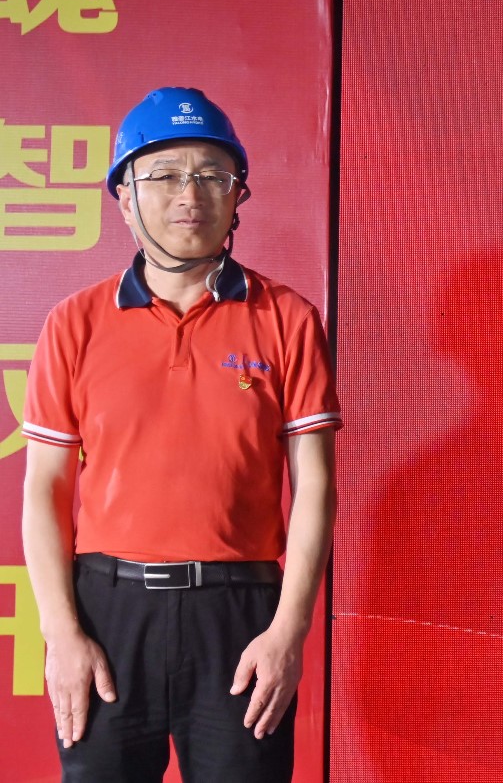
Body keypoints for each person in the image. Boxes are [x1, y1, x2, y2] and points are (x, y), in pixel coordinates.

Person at [20, 87, 340, 782]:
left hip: (240, 614)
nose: (189, 195)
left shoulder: (287, 318)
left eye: (211, 175)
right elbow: (45, 487)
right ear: (124, 197)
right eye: (164, 175)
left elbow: (314, 485)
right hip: (107, 613)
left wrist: (288, 632)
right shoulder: (74, 323)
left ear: (237, 195)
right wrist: (61, 633)